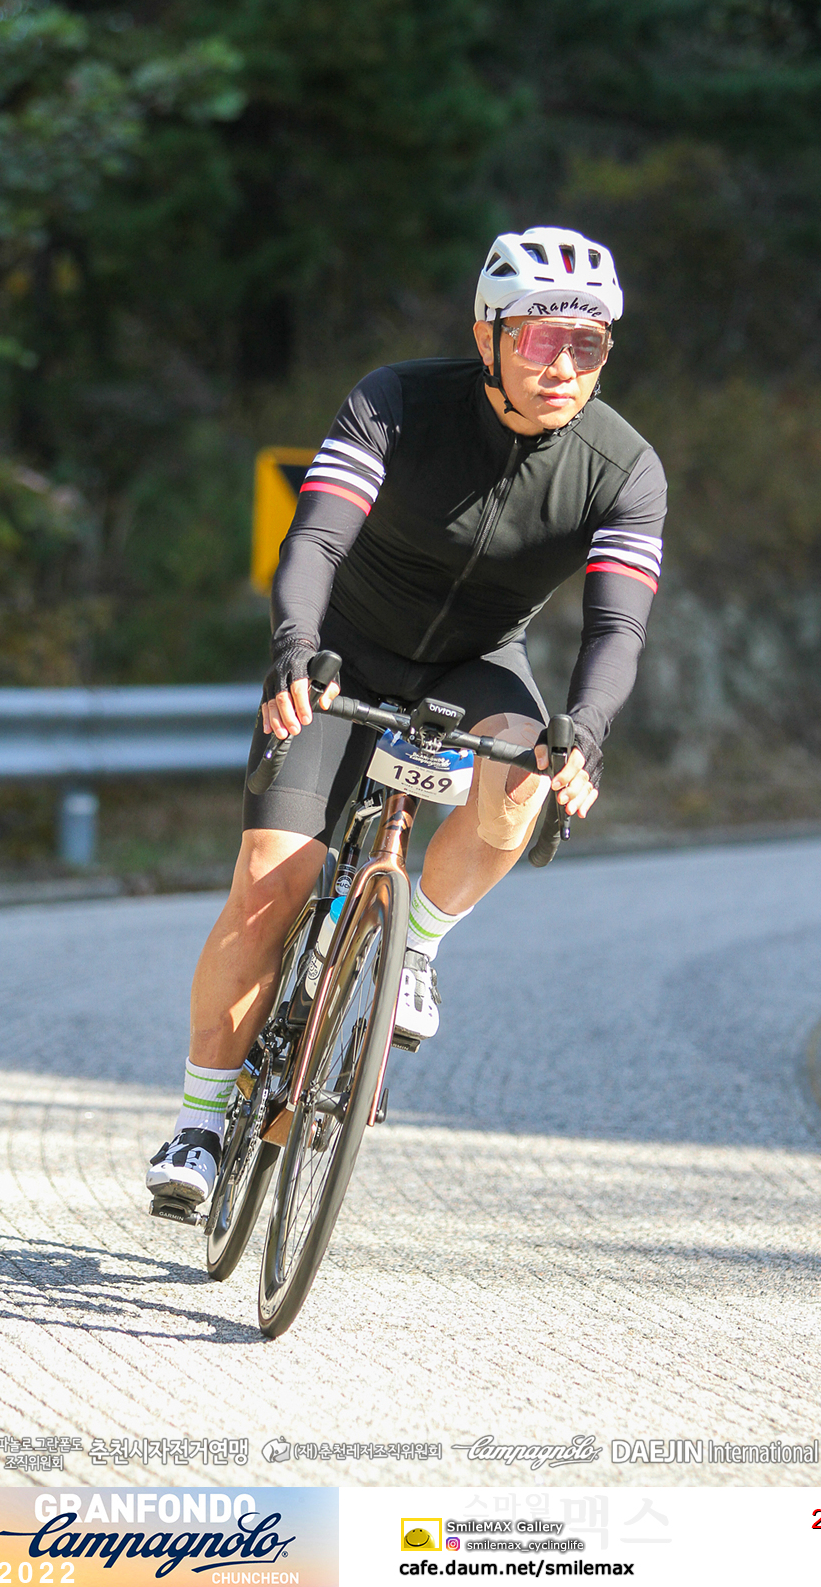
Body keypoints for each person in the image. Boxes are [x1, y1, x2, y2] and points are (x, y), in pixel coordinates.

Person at [146, 227, 667, 1207]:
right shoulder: (395, 401)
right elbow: (315, 539)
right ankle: (200, 1126)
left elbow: (617, 627)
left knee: (524, 772)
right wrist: (295, 650)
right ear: (487, 336)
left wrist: (587, 733)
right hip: (344, 649)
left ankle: (417, 942)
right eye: (541, 339)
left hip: (478, 663)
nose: (563, 365)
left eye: (588, 344)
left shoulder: (622, 467)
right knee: (269, 883)